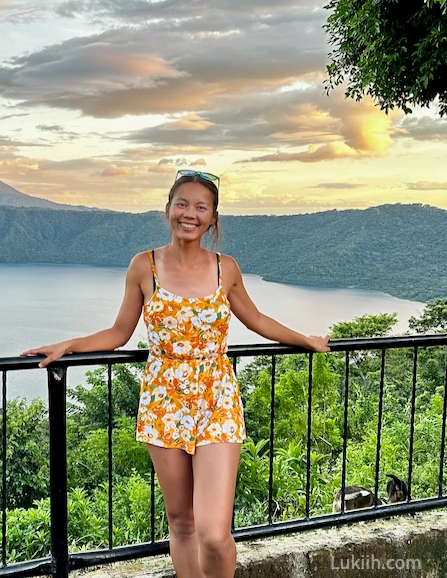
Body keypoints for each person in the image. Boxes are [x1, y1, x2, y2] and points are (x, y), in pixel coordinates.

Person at [21, 170, 330, 578]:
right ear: (167, 209)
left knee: (215, 534)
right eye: (182, 203)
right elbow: (119, 332)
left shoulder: (226, 268)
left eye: (201, 207)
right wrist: (69, 344)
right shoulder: (144, 266)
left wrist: (305, 340)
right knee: (181, 521)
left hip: (216, 397)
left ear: (213, 218)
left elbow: (255, 318)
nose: (190, 213)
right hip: (163, 399)